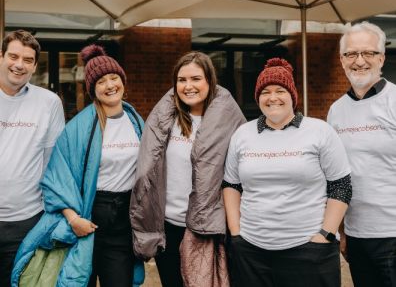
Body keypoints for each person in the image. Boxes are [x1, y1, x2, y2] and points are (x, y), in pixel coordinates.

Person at [12, 44, 144, 287]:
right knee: (77, 281)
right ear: (93, 88)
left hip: (123, 223)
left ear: (123, 81)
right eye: (101, 81)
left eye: (114, 77)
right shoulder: (77, 128)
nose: (110, 85)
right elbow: (57, 178)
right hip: (87, 220)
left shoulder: (137, 122)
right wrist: (74, 220)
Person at [223, 58, 352, 287]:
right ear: (257, 98)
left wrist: (325, 234)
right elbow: (231, 185)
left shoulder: (320, 131)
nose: (272, 97)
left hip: (309, 250)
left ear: (292, 95)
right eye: (265, 92)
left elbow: (341, 186)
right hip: (251, 251)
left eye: (280, 90)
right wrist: (236, 232)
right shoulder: (242, 134)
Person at [130, 51, 246, 287]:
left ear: (209, 81)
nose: (188, 86)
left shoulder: (229, 121)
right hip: (168, 226)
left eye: (196, 79)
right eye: (182, 80)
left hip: (206, 228)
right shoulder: (167, 119)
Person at [327, 22, 396, 287]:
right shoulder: (336, 110)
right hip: (356, 235)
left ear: (381, 57)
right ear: (342, 60)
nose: (359, 61)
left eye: (367, 53)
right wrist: (342, 231)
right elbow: (337, 175)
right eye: (351, 54)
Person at [0, 30, 65, 286]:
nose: (19, 64)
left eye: (27, 59)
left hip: (26, 220)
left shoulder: (49, 102)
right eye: (13, 56)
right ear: (1, 57)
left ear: (35, 65)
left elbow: (54, 162)